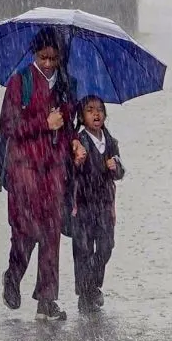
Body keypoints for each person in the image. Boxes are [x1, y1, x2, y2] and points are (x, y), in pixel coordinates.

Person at [0, 28, 77, 322]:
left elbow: (68, 124)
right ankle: (13, 276)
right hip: (24, 170)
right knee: (25, 230)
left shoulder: (66, 86)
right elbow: (8, 126)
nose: (47, 64)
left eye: (53, 59)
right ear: (34, 55)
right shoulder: (20, 83)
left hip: (54, 170)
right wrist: (44, 123)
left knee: (51, 234)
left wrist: (73, 140)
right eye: (43, 57)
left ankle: (47, 299)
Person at [70, 96, 125, 315]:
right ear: (82, 117)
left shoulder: (109, 141)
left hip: (104, 203)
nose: (96, 114)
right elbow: (71, 172)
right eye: (90, 110)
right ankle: (85, 293)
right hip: (83, 204)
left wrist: (115, 166)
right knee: (83, 249)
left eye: (100, 110)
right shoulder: (79, 140)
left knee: (105, 246)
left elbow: (120, 171)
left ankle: (92, 285)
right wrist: (77, 162)